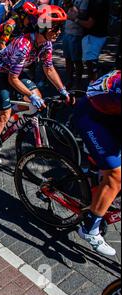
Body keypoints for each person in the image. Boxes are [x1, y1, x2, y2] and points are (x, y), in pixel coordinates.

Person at [0, 5, 71, 164]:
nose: (59, 32)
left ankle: (9, 111)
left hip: (14, 70)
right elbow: (12, 79)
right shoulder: (24, 45)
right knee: (6, 112)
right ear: (44, 27)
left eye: (60, 28)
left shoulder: (46, 44)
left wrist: (62, 90)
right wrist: (29, 96)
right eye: (56, 28)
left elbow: (49, 68)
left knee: (37, 99)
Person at [73, 69, 120, 256]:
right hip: (91, 118)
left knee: (109, 169)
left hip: (111, 114)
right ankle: (89, 229)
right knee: (115, 177)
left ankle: (96, 180)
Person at [74, 0, 109, 82]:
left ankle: (93, 87)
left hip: (94, 36)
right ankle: (94, 85)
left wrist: (75, 19)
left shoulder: (98, 2)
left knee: (91, 63)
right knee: (90, 63)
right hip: (94, 35)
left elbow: (89, 24)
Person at [62, 0, 89, 89]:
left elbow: (83, 15)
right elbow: (64, 12)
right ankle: (69, 81)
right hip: (67, 32)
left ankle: (77, 84)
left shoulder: (84, 1)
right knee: (68, 59)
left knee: (77, 60)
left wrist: (71, 6)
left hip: (76, 33)